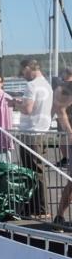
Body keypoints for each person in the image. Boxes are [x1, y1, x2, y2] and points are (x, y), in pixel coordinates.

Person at [10, 59, 54, 217]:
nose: (22, 76)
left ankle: (39, 208)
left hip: (30, 132)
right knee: (37, 170)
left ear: (28, 68)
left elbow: (28, 109)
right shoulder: (46, 85)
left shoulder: (32, 85)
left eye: (23, 72)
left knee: (32, 171)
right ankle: (37, 207)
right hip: (41, 131)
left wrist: (15, 103)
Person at [52, 83, 72, 228]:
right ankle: (59, 216)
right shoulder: (67, 88)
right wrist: (70, 132)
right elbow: (61, 110)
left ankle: (59, 217)